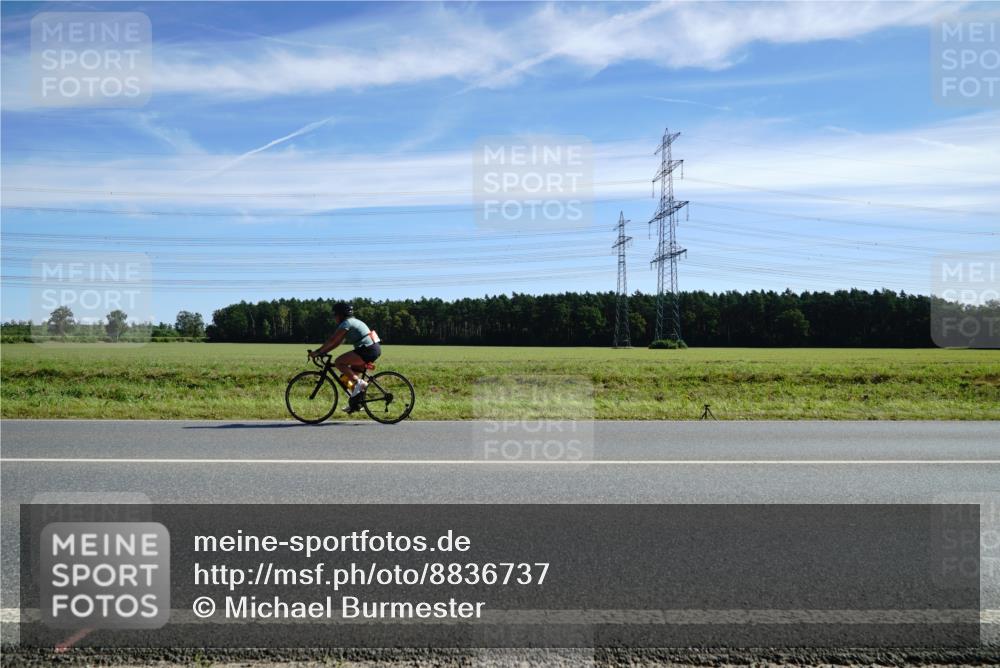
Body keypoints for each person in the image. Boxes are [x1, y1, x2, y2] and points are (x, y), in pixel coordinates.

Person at [309, 302, 381, 412]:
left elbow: (332, 340)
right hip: (371, 348)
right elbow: (337, 343)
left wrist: (318, 351)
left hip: (367, 349)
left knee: (339, 362)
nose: (334, 317)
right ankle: (356, 403)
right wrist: (323, 352)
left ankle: (360, 383)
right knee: (346, 378)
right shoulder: (353, 321)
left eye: (335, 315)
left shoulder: (346, 323)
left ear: (341, 314)